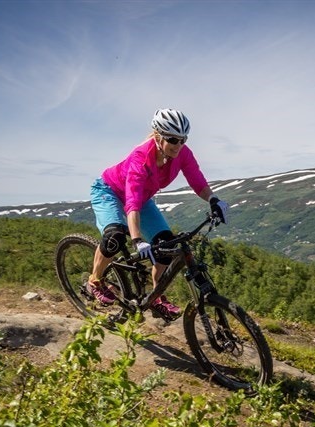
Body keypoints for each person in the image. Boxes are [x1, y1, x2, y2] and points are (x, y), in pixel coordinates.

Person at [87, 108, 229, 319]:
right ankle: (94, 281)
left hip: (142, 198)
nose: (178, 145)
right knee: (114, 236)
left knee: (166, 245)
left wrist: (213, 200)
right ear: (157, 136)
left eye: (183, 139)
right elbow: (132, 201)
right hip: (110, 191)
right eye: (173, 139)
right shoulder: (141, 157)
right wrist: (137, 240)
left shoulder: (182, 153)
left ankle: (156, 298)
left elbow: (197, 180)